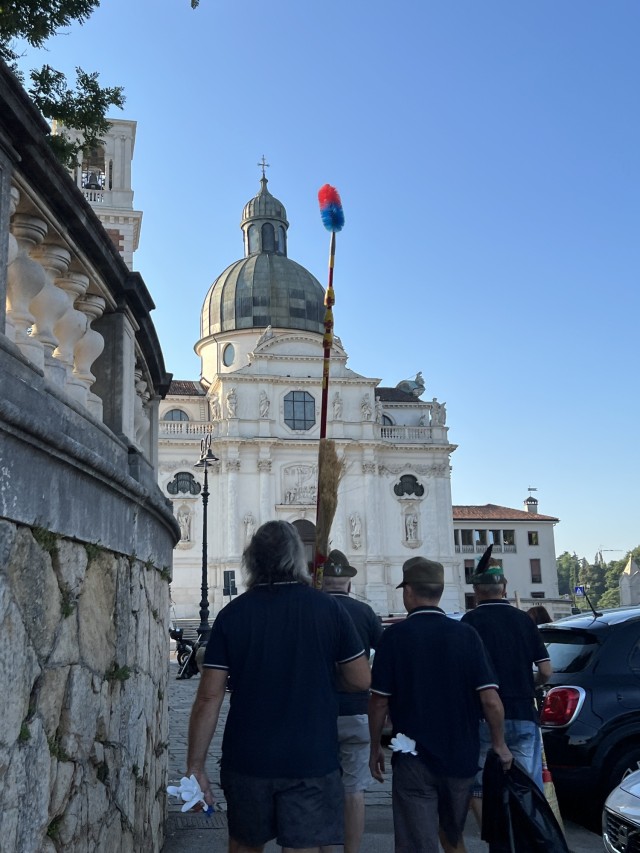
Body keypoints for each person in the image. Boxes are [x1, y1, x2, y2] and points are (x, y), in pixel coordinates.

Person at [186, 520, 371, 853]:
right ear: (297, 560)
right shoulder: (328, 609)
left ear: (251, 560)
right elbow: (360, 679)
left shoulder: (233, 615)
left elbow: (209, 696)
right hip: (311, 756)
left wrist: (195, 767)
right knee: (303, 846)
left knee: (244, 844)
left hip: (248, 756)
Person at [369, 556, 512, 853]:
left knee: (415, 842)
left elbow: (379, 702)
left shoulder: (394, 638)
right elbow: (491, 701)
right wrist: (499, 744)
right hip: (460, 757)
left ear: (408, 592)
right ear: (440, 591)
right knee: (452, 834)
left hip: (414, 757)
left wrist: (373, 748)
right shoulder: (466, 635)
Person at [461, 550, 553, 829]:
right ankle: (525, 839)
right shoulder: (524, 620)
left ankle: (496, 836)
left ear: (476, 591)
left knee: (478, 785)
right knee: (526, 786)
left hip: (481, 716)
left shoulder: (469, 623)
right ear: (504, 587)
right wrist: (529, 684)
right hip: (523, 711)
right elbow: (546, 671)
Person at [320, 550, 384, 853]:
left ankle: (324, 848)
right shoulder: (365, 613)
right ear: (348, 583)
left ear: (322, 582)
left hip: (315, 716)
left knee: (317, 787)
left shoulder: (311, 610)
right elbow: (383, 658)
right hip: (357, 711)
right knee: (354, 790)